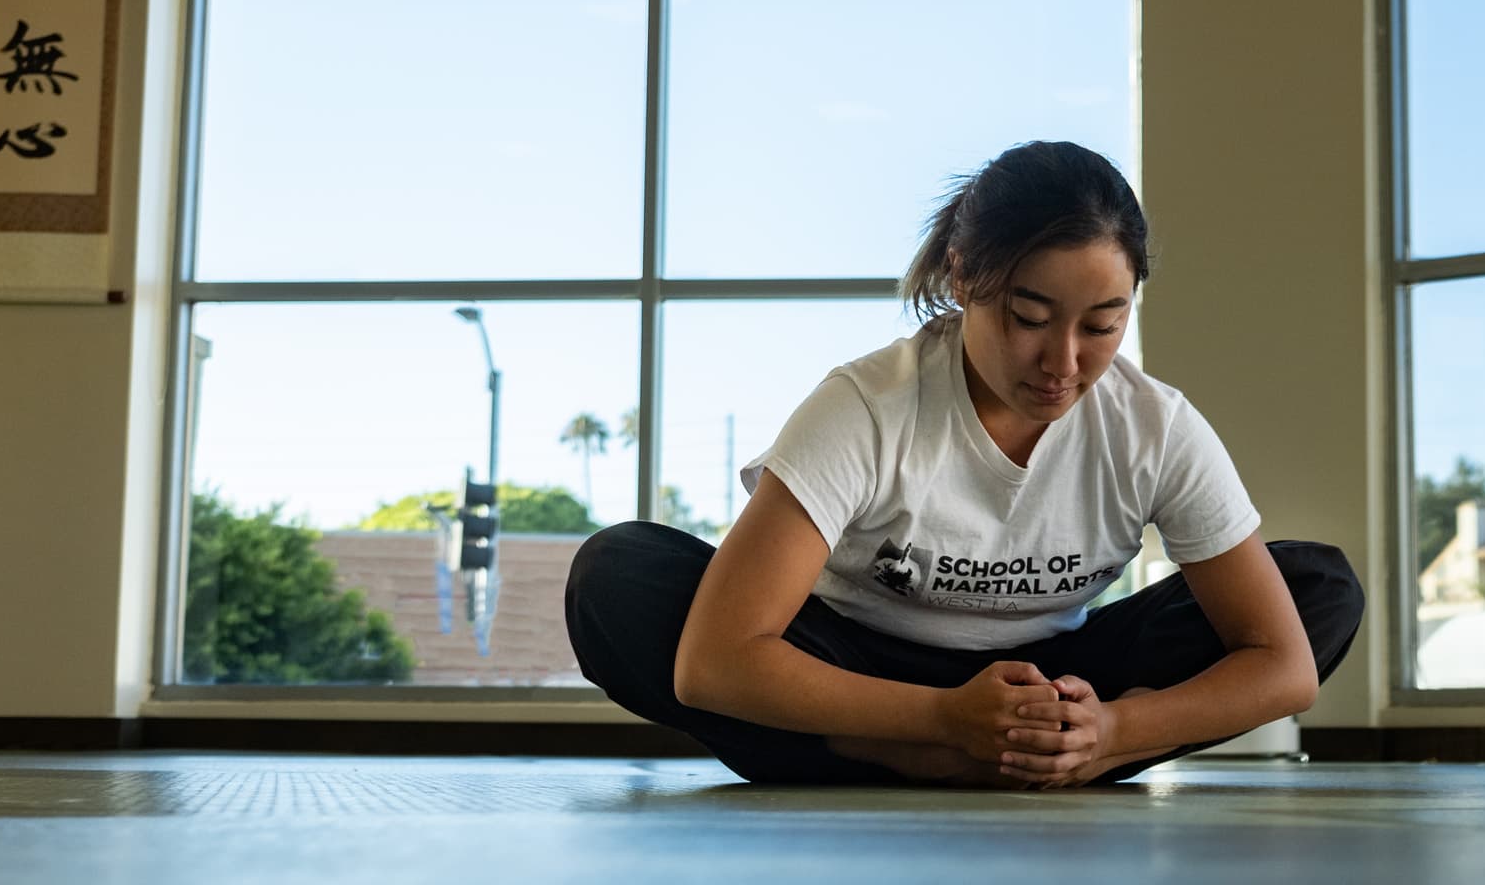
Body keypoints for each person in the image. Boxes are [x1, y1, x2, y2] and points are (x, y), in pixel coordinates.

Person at [567, 141, 1364, 788]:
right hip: (859, 670)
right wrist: (940, 720)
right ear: (963, 277)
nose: (1063, 361)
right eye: (1029, 317)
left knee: (1316, 588)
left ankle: (1065, 754)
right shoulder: (868, 404)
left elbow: (1284, 666)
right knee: (618, 575)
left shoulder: (1154, 427)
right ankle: (896, 752)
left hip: (1057, 683)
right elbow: (717, 662)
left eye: (1103, 324)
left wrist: (1117, 727)